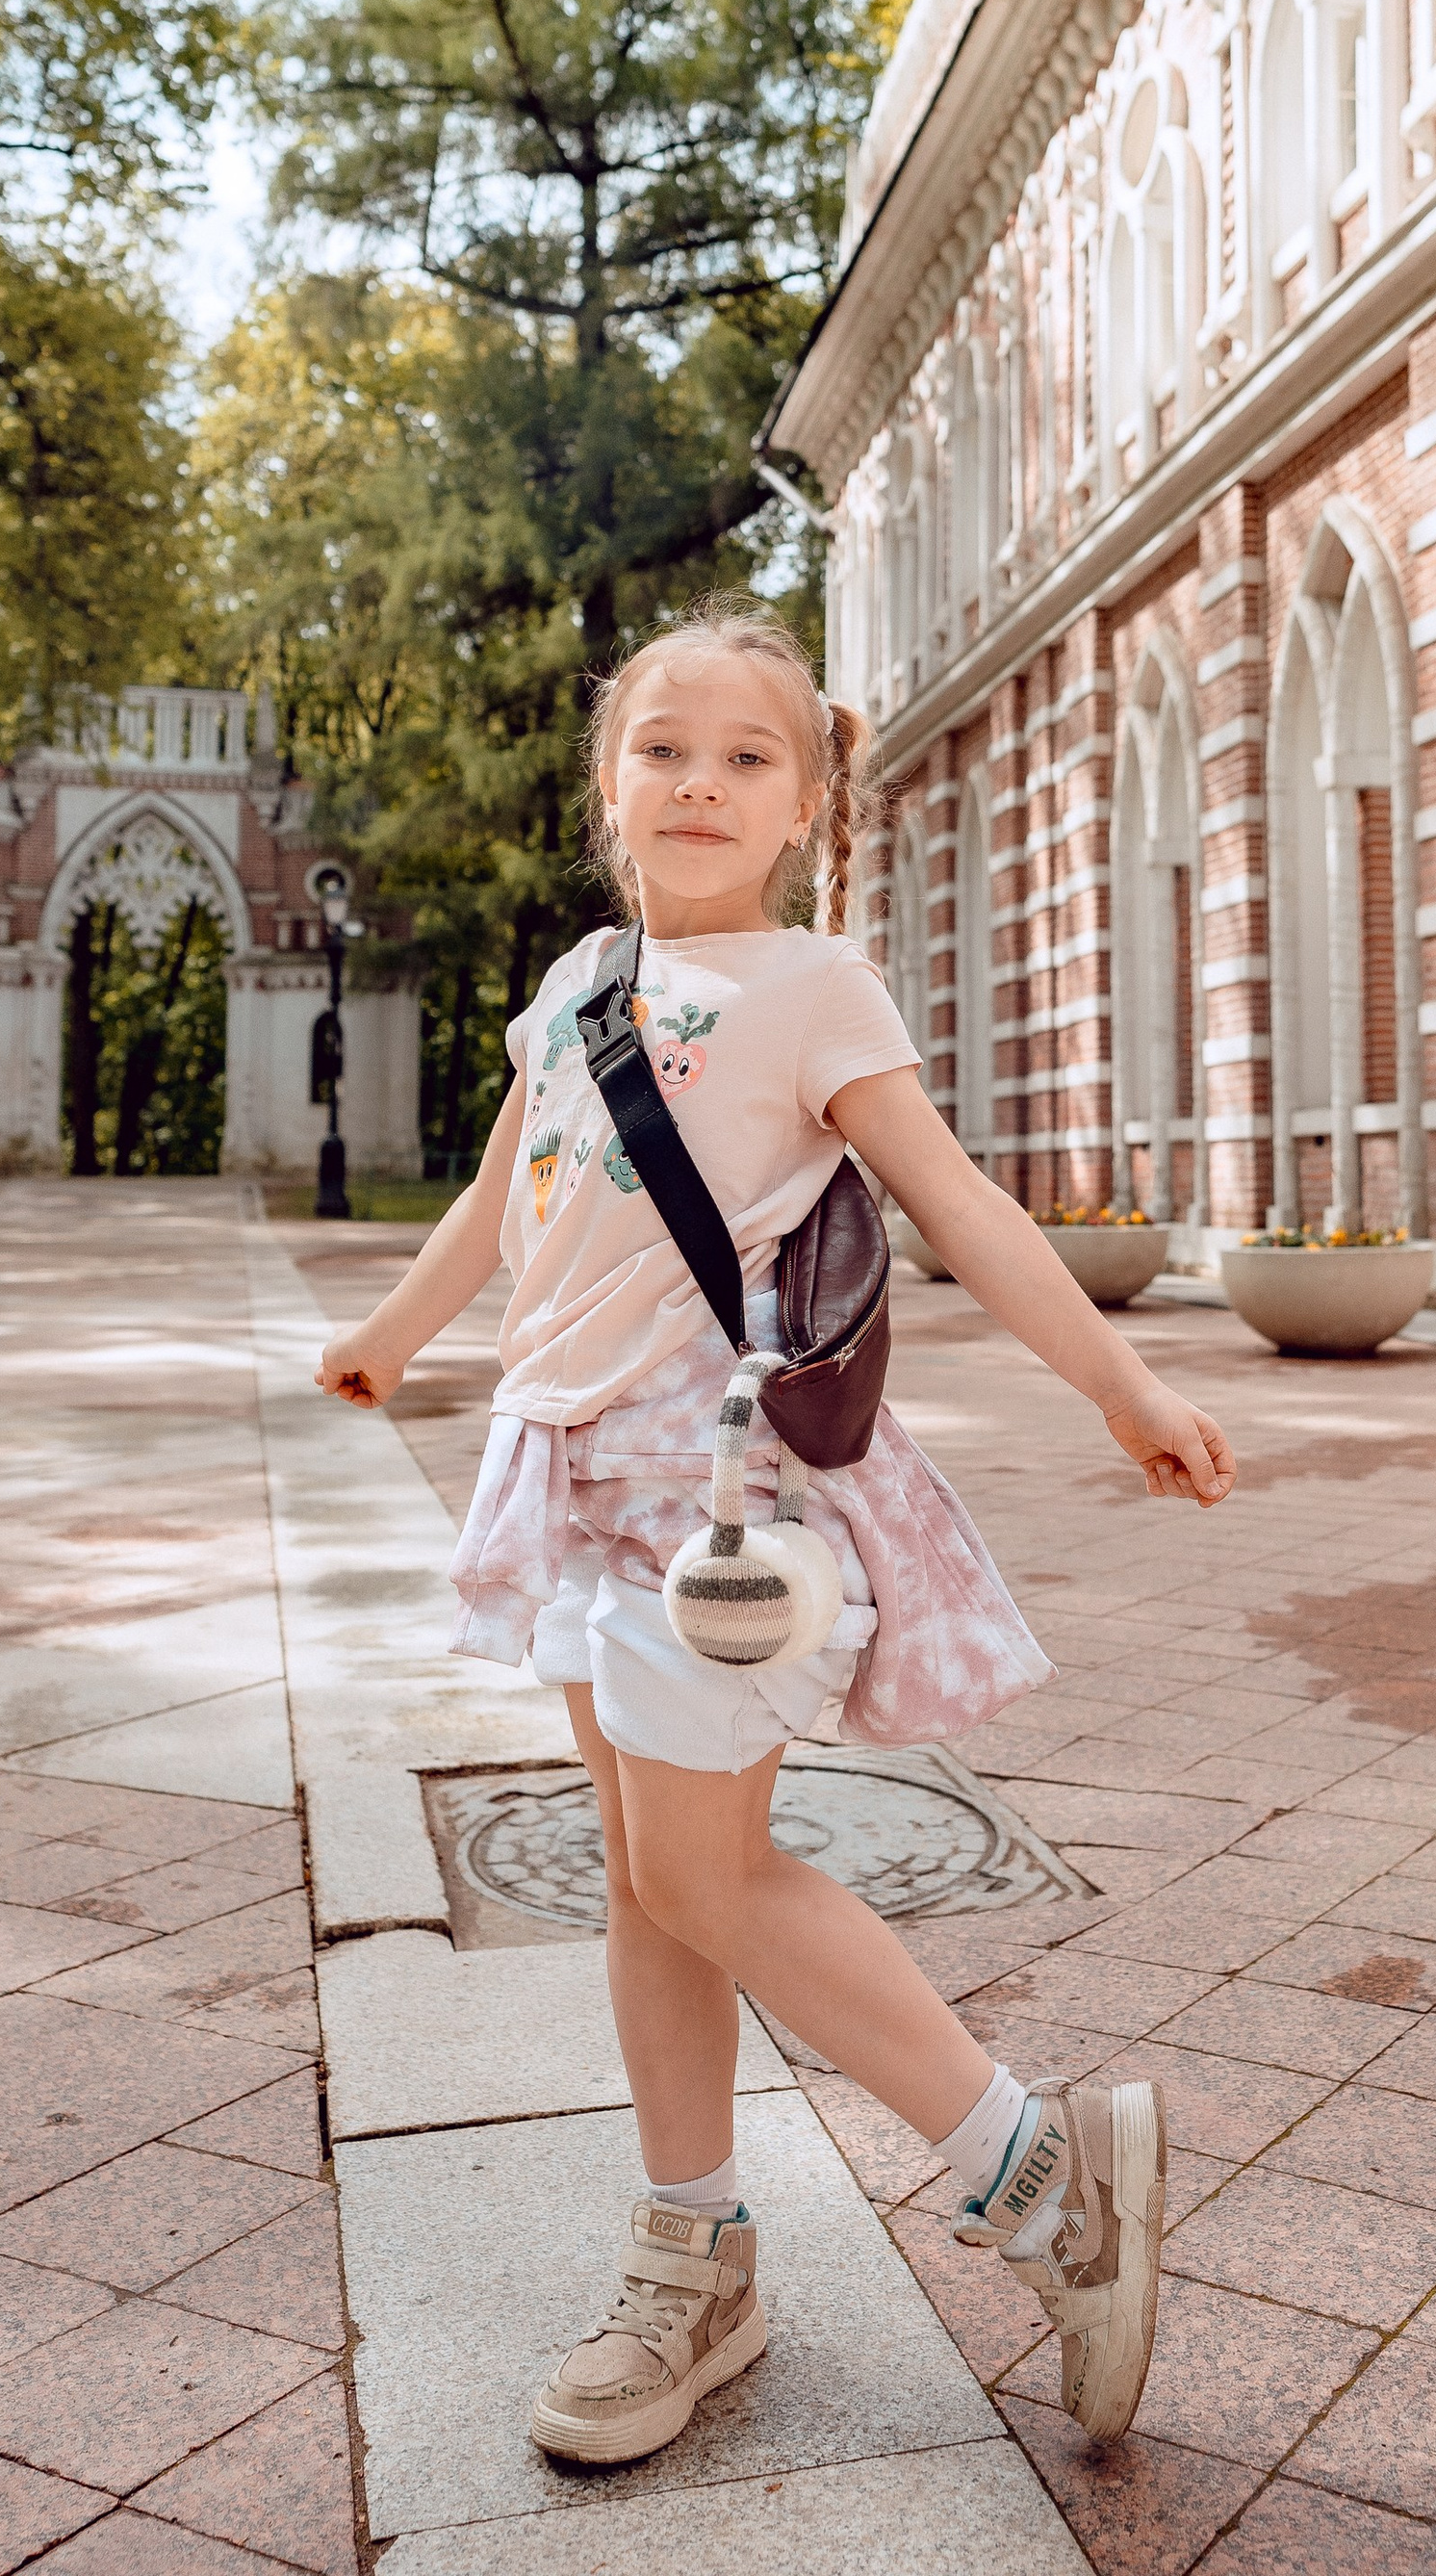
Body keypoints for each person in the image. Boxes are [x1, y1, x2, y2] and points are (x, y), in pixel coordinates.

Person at [314, 600, 1235, 2467]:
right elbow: (501, 1207)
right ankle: (697, 2251)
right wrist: (392, 1339)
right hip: (564, 1474)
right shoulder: (572, 988)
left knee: (709, 1878)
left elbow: (956, 1204)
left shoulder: (813, 990)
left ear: (809, 802)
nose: (699, 782)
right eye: (662, 748)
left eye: (747, 757)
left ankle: (1038, 2174)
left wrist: (1118, 1387)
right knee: (648, 1887)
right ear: (607, 785)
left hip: (720, 1499)